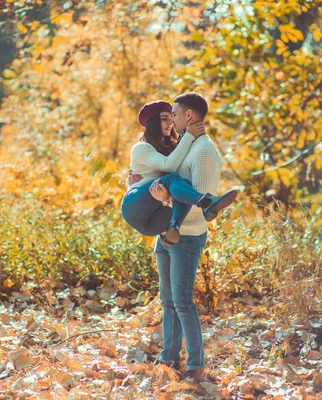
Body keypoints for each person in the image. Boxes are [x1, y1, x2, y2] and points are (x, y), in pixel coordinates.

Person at [128, 92, 229, 381]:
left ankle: (196, 366)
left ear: (189, 116)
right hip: (168, 234)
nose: (171, 120)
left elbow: (196, 206)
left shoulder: (204, 151)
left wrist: (167, 199)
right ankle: (169, 358)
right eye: (166, 116)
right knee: (168, 300)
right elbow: (157, 170)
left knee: (182, 301)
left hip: (187, 236)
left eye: (174, 113)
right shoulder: (180, 146)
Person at [121, 100, 237, 247]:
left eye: (172, 117)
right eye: (164, 118)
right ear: (153, 123)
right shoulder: (140, 148)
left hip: (155, 221)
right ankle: (207, 202)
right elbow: (168, 166)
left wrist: (187, 137)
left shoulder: (171, 148)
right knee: (172, 179)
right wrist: (189, 135)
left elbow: (174, 164)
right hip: (134, 207)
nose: (170, 122)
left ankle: (173, 228)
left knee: (184, 186)